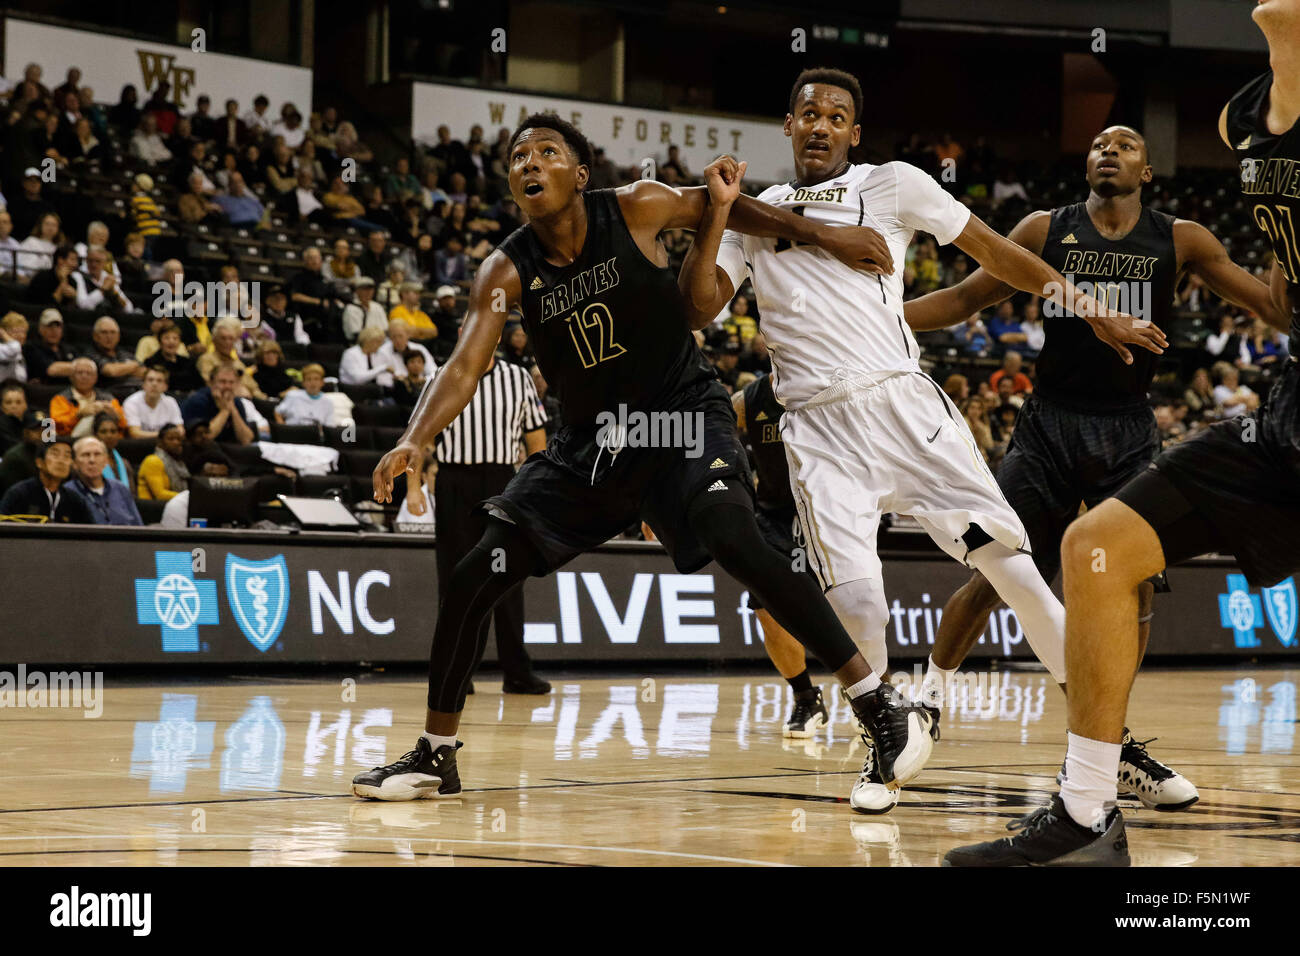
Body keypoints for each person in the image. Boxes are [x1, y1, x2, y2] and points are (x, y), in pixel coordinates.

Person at [354, 113, 930, 802]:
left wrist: (824, 233)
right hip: (591, 448)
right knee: (479, 570)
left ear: (579, 174)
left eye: (546, 153)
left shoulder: (637, 205)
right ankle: (436, 754)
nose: (529, 164)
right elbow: (463, 364)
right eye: (517, 157)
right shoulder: (505, 269)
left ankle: (877, 704)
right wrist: (415, 440)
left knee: (731, 532)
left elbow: (731, 207)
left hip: (683, 418)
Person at [678, 69, 1164, 815]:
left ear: (854, 133)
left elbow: (995, 252)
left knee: (1017, 573)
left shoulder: (894, 183)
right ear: (786, 124)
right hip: (817, 427)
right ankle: (884, 747)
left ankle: (1113, 746)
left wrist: (1087, 307)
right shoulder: (760, 212)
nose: (819, 125)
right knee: (860, 603)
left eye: (836, 116)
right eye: (807, 113)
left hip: (906, 406)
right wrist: (716, 213)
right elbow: (698, 308)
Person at [944, 3, 1300, 865]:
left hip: (1127, 422)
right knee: (1086, 548)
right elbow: (962, 300)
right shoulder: (1242, 118)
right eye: (1100, 140)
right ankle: (1081, 803)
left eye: (1127, 142)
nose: (1109, 149)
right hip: (1072, 417)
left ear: (1149, 167)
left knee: (1105, 570)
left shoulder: (1179, 234)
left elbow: (1263, 303)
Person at [733, 372, 829, 737]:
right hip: (774, 514)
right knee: (765, 607)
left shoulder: (831, 383)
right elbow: (708, 434)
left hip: (828, 511)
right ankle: (806, 697)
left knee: (848, 603)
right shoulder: (750, 399)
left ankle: (875, 689)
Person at [0, 438, 92, 522]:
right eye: (55, 454)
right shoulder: (19, 494)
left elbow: (92, 533)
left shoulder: (74, 500)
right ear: (39, 462)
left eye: (67, 456)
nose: (61, 461)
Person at [180, 363, 269, 444]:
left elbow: (246, 439)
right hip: (201, 450)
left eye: (231, 382)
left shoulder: (237, 402)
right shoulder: (198, 401)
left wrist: (233, 410)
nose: (227, 386)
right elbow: (206, 438)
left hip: (228, 450)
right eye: (222, 382)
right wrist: (225, 410)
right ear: (211, 383)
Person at [67, 435, 142, 525]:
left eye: (97, 454)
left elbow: (138, 526)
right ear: (75, 463)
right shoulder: (67, 493)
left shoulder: (121, 489)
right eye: (86, 455)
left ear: (105, 461)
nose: (92, 460)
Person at [123, 367, 183, 439]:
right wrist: (165, 435)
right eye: (150, 380)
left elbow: (180, 430)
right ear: (143, 384)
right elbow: (134, 433)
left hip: (164, 445)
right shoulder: (131, 402)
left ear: (166, 386)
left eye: (159, 381)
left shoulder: (171, 402)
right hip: (140, 445)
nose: (154, 384)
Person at [137, 423, 188, 501]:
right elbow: (160, 494)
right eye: (171, 439)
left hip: (174, 504)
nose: (176, 442)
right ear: (160, 442)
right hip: (152, 508)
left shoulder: (179, 462)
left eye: (178, 439)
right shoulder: (152, 461)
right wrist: (189, 497)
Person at [22, 309, 75, 384]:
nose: (54, 330)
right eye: (49, 326)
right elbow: (51, 370)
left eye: (58, 326)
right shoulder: (31, 348)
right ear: (40, 329)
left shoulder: (69, 349)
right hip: (42, 392)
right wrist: (79, 368)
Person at [395, 455, 437, 530]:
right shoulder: (416, 499)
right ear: (425, 477)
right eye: (435, 475)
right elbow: (419, 535)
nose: (440, 479)